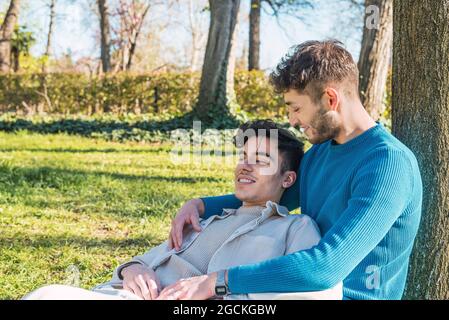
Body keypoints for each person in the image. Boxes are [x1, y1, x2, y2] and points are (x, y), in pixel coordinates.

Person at [166, 40, 423, 300]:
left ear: (330, 99)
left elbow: (326, 267)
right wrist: (200, 206)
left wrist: (220, 281)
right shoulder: (319, 154)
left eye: (296, 108)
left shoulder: (388, 164)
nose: (292, 121)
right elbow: (271, 196)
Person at [23, 120, 342, 300]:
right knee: (46, 296)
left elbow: (313, 294)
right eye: (243, 157)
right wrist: (132, 268)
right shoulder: (207, 219)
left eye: (260, 159)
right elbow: (148, 259)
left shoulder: (295, 228)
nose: (245, 166)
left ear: (288, 178)